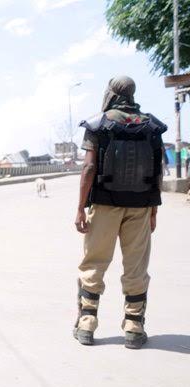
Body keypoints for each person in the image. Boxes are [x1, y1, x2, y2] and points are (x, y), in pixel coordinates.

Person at [73, 76, 167, 349]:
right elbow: (157, 170)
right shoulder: (152, 126)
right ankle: (134, 328)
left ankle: (87, 324)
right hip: (140, 206)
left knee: (94, 263)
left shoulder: (99, 124)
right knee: (136, 266)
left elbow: (89, 168)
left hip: (104, 205)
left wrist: (80, 208)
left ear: (111, 94)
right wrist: (153, 210)